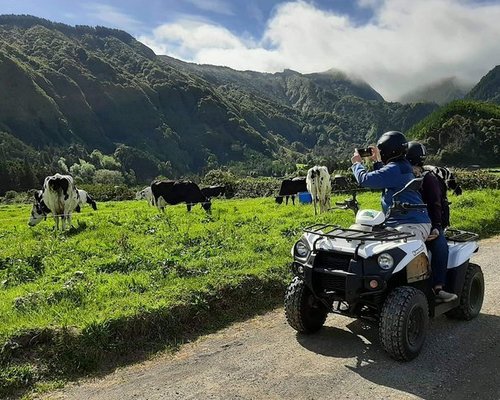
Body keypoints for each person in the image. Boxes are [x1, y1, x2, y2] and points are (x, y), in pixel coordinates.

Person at [351, 131, 431, 242]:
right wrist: (377, 162)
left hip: (410, 224)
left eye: (381, 150)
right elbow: (385, 177)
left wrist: (357, 164)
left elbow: (364, 179)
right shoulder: (402, 165)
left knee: (393, 252)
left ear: (387, 151)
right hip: (405, 221)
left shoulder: (395, 169)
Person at [406, 141, 458, 302]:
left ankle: (438, 288)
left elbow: (436, 205)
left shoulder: (428, 179)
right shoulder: (402, 176)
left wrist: (436, 227)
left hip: (428, 223)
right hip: (405, 222)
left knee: (440, 246)